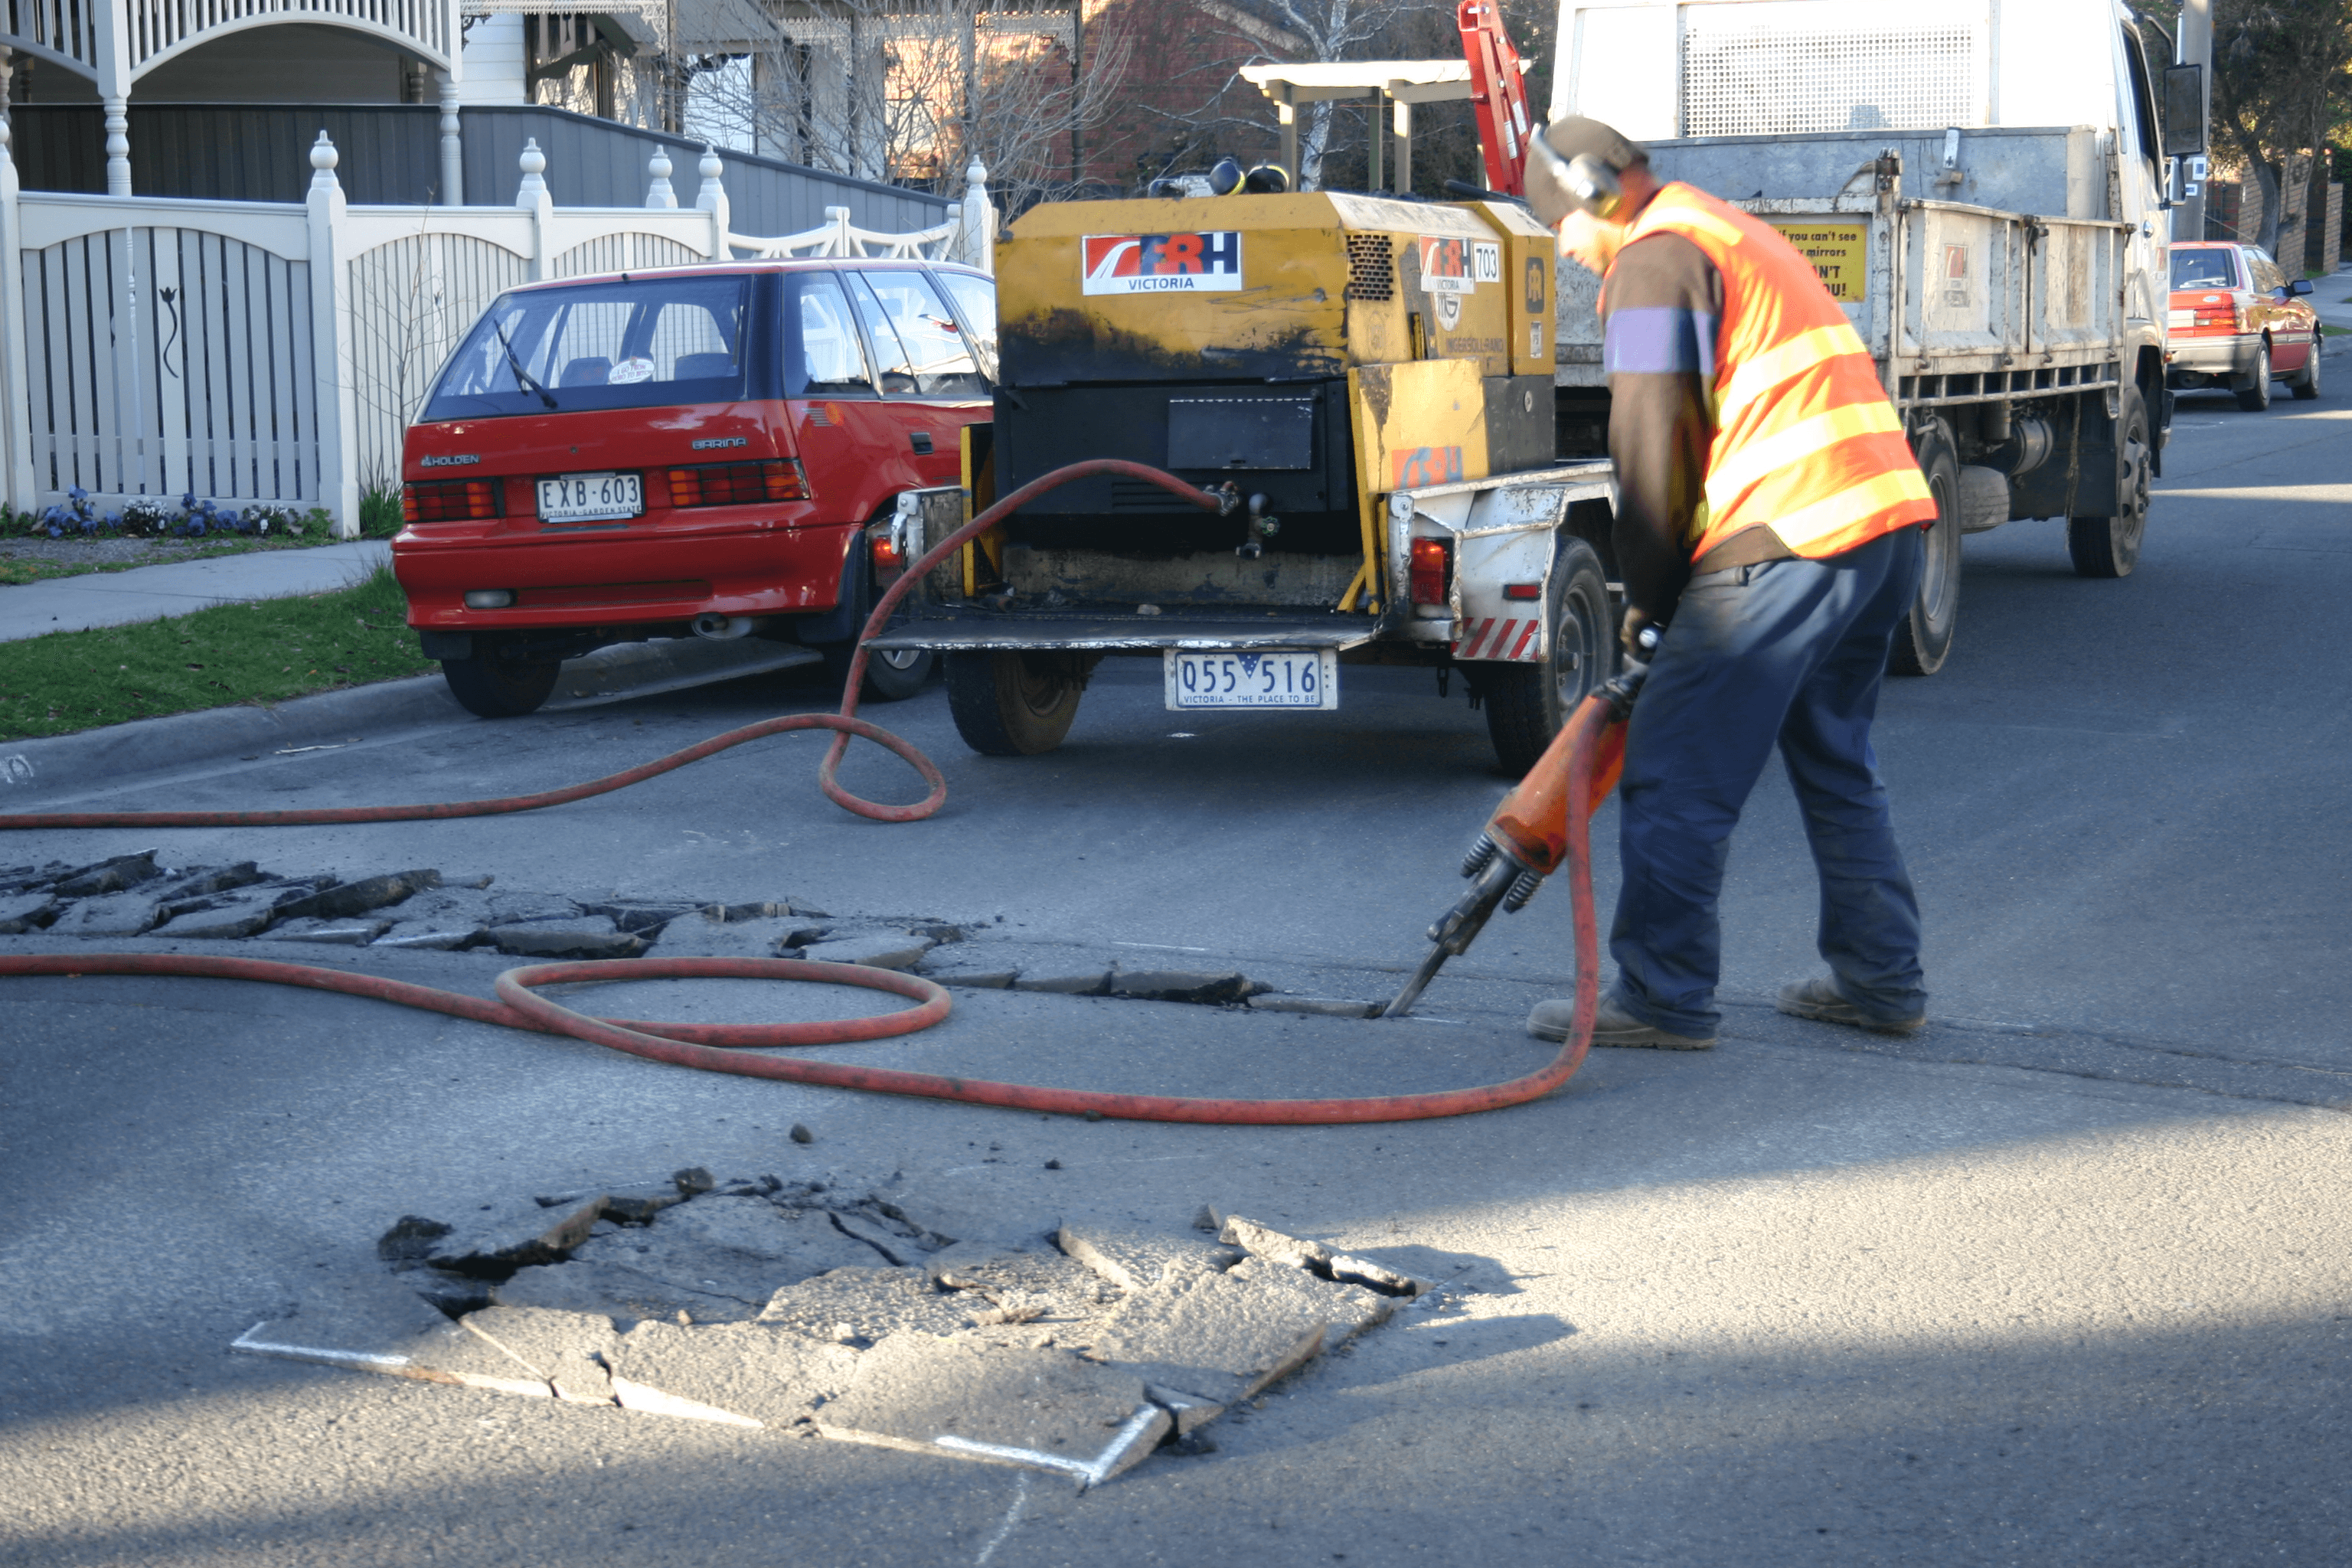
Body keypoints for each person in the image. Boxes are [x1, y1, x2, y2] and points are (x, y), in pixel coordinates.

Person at [1520, 116, 1935, 1050]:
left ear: (1592, 190)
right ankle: (1881, 977)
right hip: (1880, 525)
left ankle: (1662, 994)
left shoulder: (1657, 256)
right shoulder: (1722, 230)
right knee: (1836, 761)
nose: (1571, 253)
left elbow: (1650, 449)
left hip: (1788, 534)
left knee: (1674, 769)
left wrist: (1649, 597)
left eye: (1561, 229)